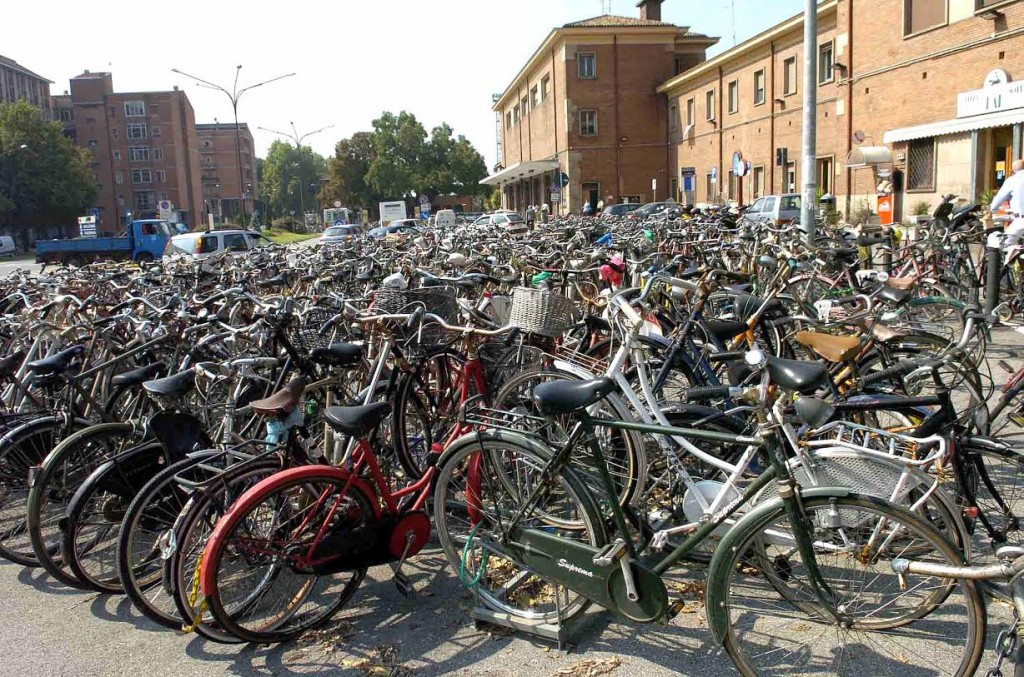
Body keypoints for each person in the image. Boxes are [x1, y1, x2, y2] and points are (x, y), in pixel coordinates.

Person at [991, 159, 1024, 247]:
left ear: (1014, 171)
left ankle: (997, 260)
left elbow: (998, 199)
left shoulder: (1012, 180)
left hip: (1020, 221)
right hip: (1018, 218)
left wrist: (992, 210)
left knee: (997, 243)